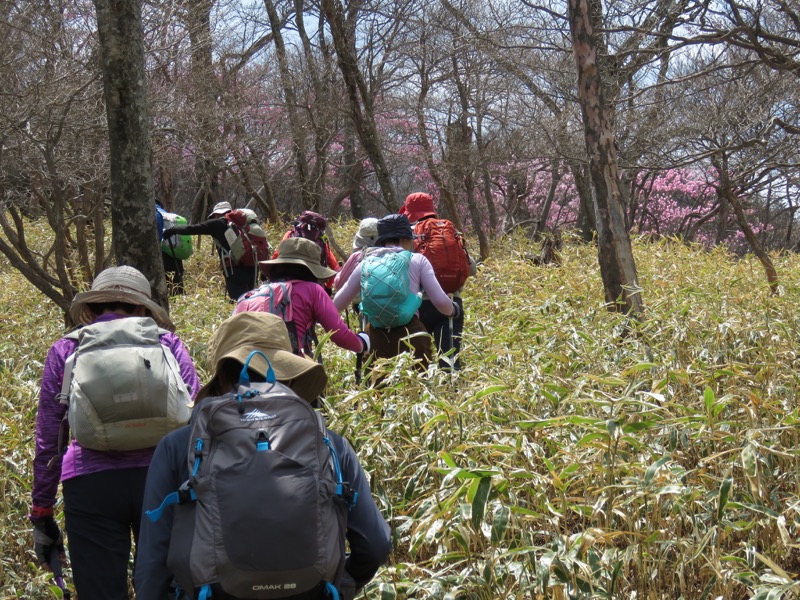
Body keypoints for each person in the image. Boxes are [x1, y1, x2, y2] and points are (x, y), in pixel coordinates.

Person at [135, 311, 392, 599]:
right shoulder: (330, 444)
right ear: (290, 378)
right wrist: (341, 582)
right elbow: (376, 544)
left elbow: (152, 562)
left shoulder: (177, 446)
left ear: (220, 380)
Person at [30, 265, 200, 600]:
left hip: (90, 483)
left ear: (91, 310)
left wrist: (42, 509)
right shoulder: (167, 342)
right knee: (168, 588)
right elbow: (195, 416)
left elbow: (50, 438)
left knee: (101, 592)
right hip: (162, 481)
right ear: (141, 309)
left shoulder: (66, 349)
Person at [333, 214, 459, 368]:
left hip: (375, 338)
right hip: (412, 336)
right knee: (416, 389)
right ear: (405, 239)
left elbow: (337, 305)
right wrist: (453, 310)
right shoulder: (418, 260)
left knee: (377, 390)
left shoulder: (366, 262)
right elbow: (440, 302)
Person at [236, 237, 369, 358]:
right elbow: (340, 335)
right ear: (312, 270)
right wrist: (362, 343)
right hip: (286, 365)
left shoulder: (250, 295)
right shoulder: (313, 290)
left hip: (244, 363)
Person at [400, 192, 475, 369]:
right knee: (450, 362)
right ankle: (453, 392)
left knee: (418, 365)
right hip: (451, 302)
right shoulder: (449, 231)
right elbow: (471, 269)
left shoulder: (408, 235)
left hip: (417, 306)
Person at [162, 201, 265, 301]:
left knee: (239, 301)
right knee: (251, 299)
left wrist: (172, 230)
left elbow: (193, 228)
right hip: (252, 267)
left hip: (235, 270)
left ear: (216, 214)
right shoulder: (241, 225)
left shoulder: (217, 224)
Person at [274, 210, 340, 294]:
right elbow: (335, 267)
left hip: (287, 282)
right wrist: (328, 287)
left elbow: (277, 254)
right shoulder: (320, 239)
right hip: (314, 284)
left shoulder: (290, 234)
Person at [155, 201, 188, 296]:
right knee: (177, 281)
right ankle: (180, 299)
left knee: (167, 282)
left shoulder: (155, 214)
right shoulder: (167, 215)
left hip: (163, 253)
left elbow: (158, 237)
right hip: (174, 252)